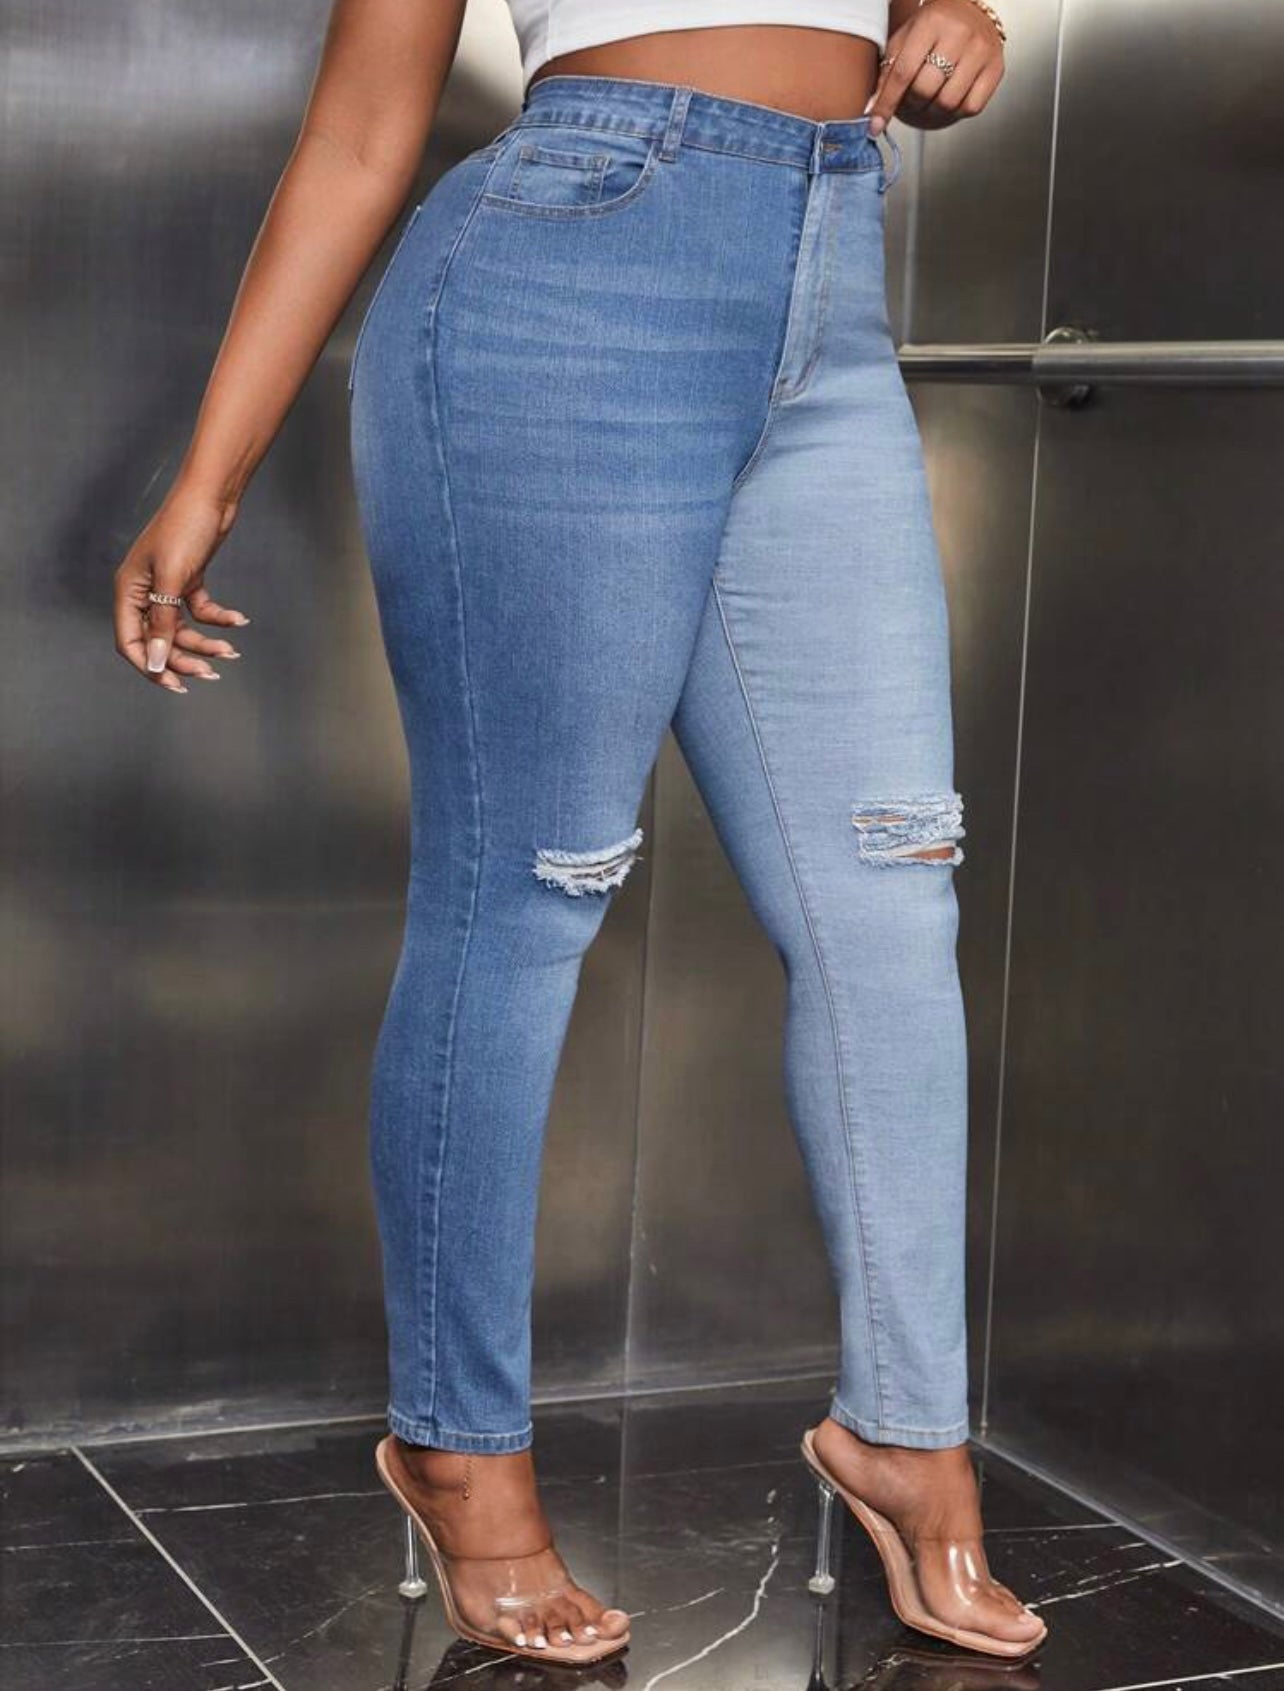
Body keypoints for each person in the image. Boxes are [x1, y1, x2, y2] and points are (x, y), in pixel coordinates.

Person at [112, 0, 1047, 1670]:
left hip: (830, 292)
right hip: (564, 279)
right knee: (524, 894)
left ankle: (908, 1430)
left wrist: (949, 18)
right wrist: (212, 476)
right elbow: (362, 129)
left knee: (891, 892)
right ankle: (456, 1445)